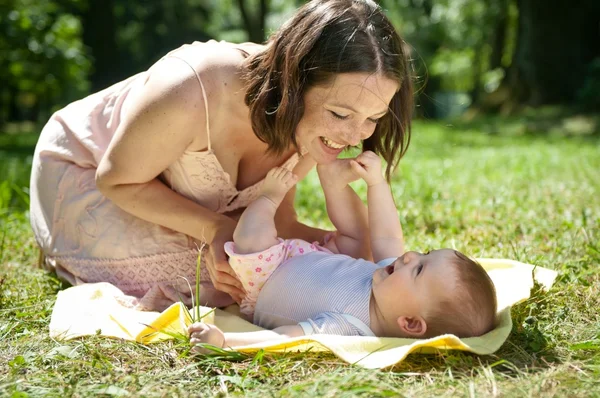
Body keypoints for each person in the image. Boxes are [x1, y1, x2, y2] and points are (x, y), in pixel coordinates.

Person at [29, 0, 414, 311]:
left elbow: (277, 219)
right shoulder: (192, 87)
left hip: (172, 197)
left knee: (269, 269)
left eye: (374, 118)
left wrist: (348, 252)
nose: (353, 135)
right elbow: (117, 179)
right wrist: (217, 229)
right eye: (340, 114)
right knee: (233, 282)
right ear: (294, 80)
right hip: (88, 171)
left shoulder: (314, 127)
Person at [188, 153, 498, 349]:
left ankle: (268, 198)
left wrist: (225, 341)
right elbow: (387, 235)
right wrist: (377, 184)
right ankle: (334, 183)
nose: (410, 256)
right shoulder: (389, 282)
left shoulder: (349, 327)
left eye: (419, 269)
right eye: (426, 252)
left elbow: (285, 337)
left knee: (250, 240)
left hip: (265, 278)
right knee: (357, 238)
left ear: (411, 324)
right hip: (309, 255)